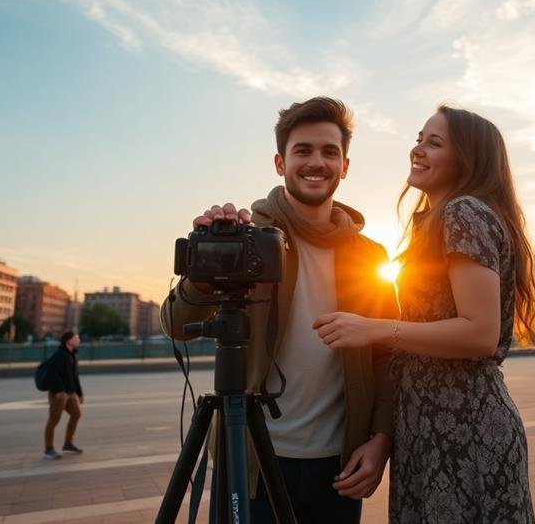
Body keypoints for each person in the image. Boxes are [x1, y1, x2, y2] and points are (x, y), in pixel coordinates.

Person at [160, 97, 398, 524]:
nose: (316, 162)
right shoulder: (248, 238)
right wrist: (206, 265)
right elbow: (176, 326)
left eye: (330, 152)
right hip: (249, 458)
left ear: (345, 166)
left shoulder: (370, 257)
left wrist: (380, 440)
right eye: (302, 150)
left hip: (338, 467)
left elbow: (388, 357)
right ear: (279, 162)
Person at [313, 105, 535, 523]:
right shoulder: (436, 220)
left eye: (433, 143)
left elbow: (480, 333)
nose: (417, 149)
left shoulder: (464, 212)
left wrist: (374, 328)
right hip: (429, 427)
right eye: (419, 138)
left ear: (467, 158)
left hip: (464, 429)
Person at [43, 331, 84, 459]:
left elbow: (75, 376)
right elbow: (51, 372)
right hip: (59, 394)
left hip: (71, 393)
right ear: (68, 340)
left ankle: (68, 444)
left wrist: (80, 393)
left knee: (76, 414)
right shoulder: (59, 354)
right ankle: (48, 449)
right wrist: (60, 391)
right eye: (75, 337)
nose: (78, 339)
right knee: (53, 420)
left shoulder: (73, 355)